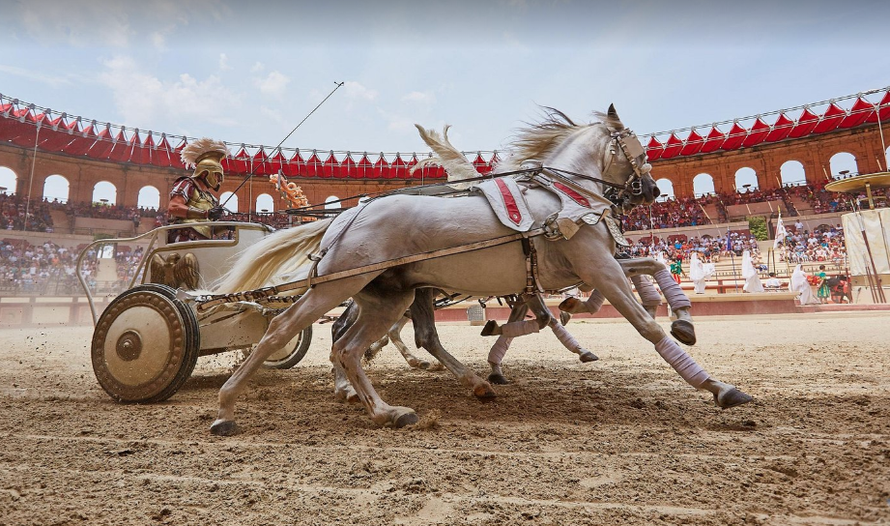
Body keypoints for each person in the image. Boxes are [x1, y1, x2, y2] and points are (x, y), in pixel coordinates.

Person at [167, 138, 228, 243]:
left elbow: (213, 228)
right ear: (204, 173)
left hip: (204, 242)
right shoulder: (187, 184)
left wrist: (229, 225)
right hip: (184, 238)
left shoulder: (211, 198)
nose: (218, 180)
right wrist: (205, 214)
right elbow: (174, 207)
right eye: (216, 175)